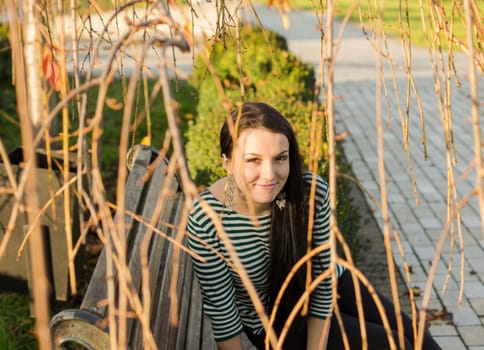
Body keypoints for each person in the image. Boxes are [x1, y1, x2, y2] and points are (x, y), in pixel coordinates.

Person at [187, 102, 441, 349]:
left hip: (329, 287)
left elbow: (323, 279)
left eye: (280, 158)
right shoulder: (208, 220)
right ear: (227, 162)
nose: (269, 174)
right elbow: (225, 319)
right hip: (274, 323)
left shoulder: (309, 191)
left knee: (421, 342)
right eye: (253, 160)